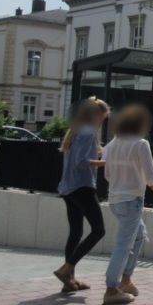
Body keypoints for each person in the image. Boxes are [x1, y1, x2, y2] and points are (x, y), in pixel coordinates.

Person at [99, 104, 153, 305]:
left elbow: (107, 173)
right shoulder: (140, 144)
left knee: (138, 236)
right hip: (131, 202)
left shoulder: (113, 144)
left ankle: (126, 280)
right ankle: (111, 288)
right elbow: (151, 178)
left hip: (115, 200)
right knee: (123, 244)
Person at [54, 96, 110, 293]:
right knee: (99, 230)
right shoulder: (87, 132)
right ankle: (66, 269)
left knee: (76, 232)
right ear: (94, 115)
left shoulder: (76, 130)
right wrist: (106, 163)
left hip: (68, 188)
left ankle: (69, 281)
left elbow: (79, 157)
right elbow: (81, 162)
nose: (102, 122)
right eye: (102, 118)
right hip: (81, 187)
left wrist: (98, 152)